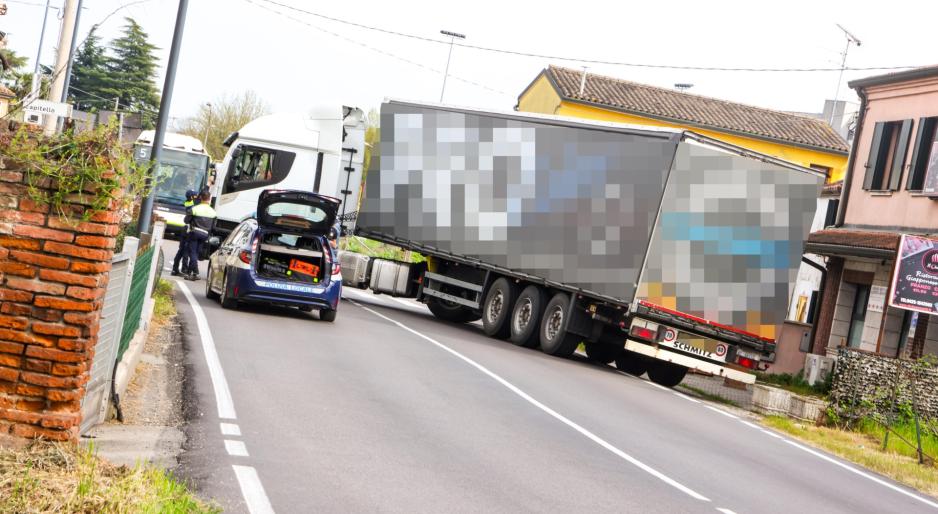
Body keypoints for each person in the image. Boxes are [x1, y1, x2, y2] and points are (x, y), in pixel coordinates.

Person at [184, 190, 217, 280]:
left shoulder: (195, 209)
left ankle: (195, 272)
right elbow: (213, 228)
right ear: (209, 199)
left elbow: (186, 221)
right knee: (196, 253)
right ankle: (190, 273)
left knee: (192, 253)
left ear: (200, 198)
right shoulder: (213, 212)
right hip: (205, 235)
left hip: (194, 233)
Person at [171, 189, 199, 276]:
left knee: (182, 250)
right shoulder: (191, 205)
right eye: (195, 196)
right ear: (191, 197)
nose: (197, 197)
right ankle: (184, 269)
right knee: (185, 251)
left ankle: (175, 269)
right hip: (187, 231)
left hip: (185, 230)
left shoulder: (189, 202)